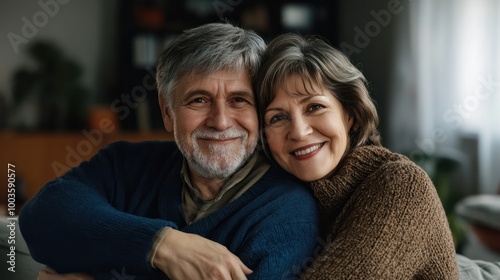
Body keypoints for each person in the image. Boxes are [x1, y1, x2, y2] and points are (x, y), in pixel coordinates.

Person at [19, 23, 320, 280]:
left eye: (239, 100)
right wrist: (160, 244)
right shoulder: (125, 163)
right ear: (166, 112)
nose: (220, 122)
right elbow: (41, 217)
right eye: (198, 100)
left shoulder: (288, 210)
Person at [255, 33, 460, 279]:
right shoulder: (282, 194)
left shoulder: (402, 185)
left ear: (350, 114)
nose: (299, 132)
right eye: (277, 117)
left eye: (315, 107)